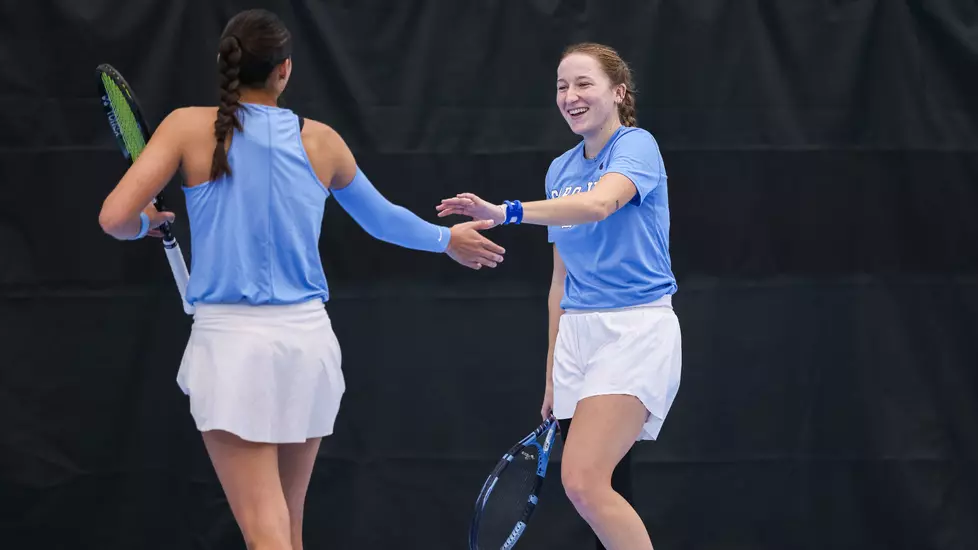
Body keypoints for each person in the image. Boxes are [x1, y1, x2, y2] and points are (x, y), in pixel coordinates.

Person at [97, 9, 505, 550]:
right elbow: (381, 219)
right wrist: (447, 239)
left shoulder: (184, 126)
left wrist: (145, 223)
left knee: (268, 533)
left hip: (233, 348)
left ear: (226, 63)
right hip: (308, 346)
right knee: (288, 527)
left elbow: (114, 218)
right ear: (284, 71)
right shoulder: (324, 142)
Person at [436, 42, 681, 550]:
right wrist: (552, 370)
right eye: (562, 86)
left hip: (635, 328)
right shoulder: (559, 171)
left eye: (584, 84)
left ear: (618, 92)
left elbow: (599, 205)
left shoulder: (637, 146)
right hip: (576, 337)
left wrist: (508, 212)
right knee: (601, 489)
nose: (570, 96)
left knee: (584, 481)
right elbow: (560, 281)